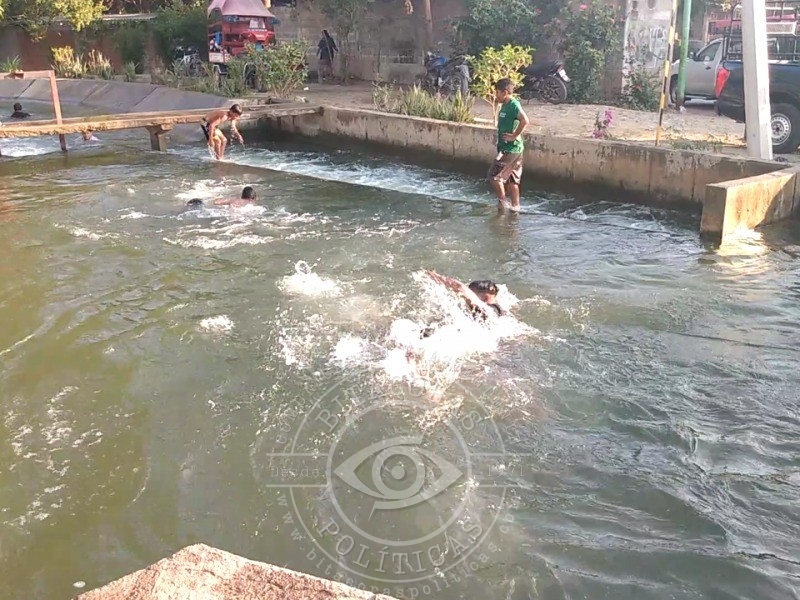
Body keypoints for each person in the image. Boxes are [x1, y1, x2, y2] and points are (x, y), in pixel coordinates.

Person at [420, 271, 507, 338]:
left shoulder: (487, 310)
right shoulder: (499, 311)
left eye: (473, 293)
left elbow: (460, 287)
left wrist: (437, 277)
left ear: (483, 295)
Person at [488, 78, 529, 212]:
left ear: (505, 92)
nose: (496, 95)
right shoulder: (504, 105)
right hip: (510, 148)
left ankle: (503, 203)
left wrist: (514, 136)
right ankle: (515, 207)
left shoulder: (513, 105)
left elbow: (525, 120)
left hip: (511, 149)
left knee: (494, 176)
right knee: (512, 179)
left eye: (497, 92)